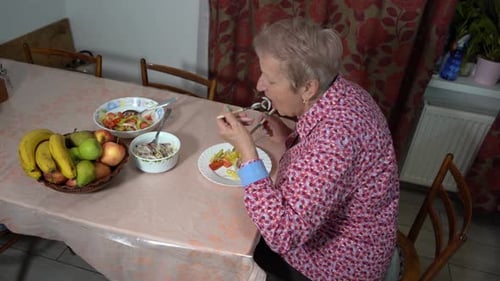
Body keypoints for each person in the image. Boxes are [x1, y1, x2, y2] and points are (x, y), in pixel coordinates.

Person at [216, 18, 400, 281]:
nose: (259, 86)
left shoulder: (336, 141)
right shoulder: (343, 93)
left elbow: (282, 235)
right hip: (336, 234)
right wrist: (288, 135)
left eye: (270, 80)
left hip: (338, 266)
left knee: (229, 254)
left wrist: (247, 152)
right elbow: (321, 166)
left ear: (307, 87)